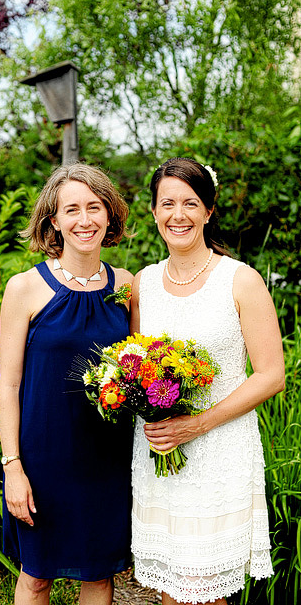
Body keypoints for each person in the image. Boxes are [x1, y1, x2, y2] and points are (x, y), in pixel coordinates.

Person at [130, 157, 284, 605]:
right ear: (155, 212)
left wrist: (197, 424)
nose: (178, 214)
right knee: (172, 587)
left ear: (209, 210)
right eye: (167, 203)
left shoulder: (241, 280)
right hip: (159, 452)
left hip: (220, 452)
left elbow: (272, 374)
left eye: (190, 203)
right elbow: (136, 365)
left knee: (204, 589)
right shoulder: (143, 284)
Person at [0, 164, 134, 605]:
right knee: (36, 576)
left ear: (109, 215)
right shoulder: (24, 288)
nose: (85, 219)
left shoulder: (127, 287)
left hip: (106, 458)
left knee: (97, 574)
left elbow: (138, 373)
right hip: (42, 458)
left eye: (94, 207)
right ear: (53, 221)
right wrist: (12, 467)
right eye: (71, 209)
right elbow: (8, 386)